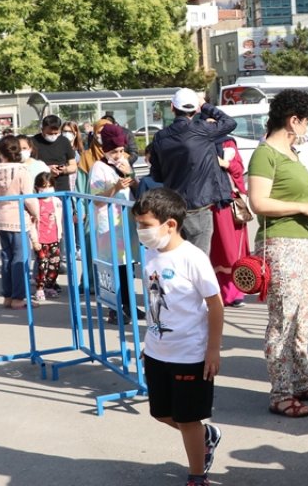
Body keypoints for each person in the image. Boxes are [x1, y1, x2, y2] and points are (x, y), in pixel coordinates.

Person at [249, 89, 308, 417]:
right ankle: (281, 391)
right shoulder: (266, 154)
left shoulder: (288, 152)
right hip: (281, 245)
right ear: (293, 120)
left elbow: (298, 193)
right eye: (306, 123)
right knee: (284, 319)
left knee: (302, 315)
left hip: (303, 245)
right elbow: (258, 202)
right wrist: (303, 206)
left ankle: (301, 380)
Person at [132, 187, 224, 486]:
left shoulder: (192, 258)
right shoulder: (149, 254)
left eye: (145, 225)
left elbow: (215, 304)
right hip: (158, 350)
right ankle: (205, 436)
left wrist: (212, 350)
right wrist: (149, 344)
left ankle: (197, 476)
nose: (141, 231)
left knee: (187, 419)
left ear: (170, 224)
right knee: (160, 413)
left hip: (190, 354)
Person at [150, 88, 237, 256]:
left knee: (176, 258)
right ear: (195, 109)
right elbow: (229, 122)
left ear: (172, 107)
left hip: (173, 208)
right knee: (198, 260)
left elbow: (157, 174)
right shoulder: (202, 129)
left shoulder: (160, 137)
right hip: (200, 206)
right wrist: (204, 105)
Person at [91, 123, 137, 324]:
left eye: (121, 150)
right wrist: (115, 187)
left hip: (125, 221)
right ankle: (115, 308)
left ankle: (130, 305)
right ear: (104, 150)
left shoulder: (124, 163)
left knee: (128, 265)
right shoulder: (98, 167)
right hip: (107, 224)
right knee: (113, 268)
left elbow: (135, 186)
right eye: (115, 151)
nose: (119, 155)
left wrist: (131, 177)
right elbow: (97, 198)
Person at [0, 135, 39, 309]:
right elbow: (29, 197)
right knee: (20, 259)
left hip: (2, 216)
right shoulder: (22, 170)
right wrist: (37, 214)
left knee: (7, 258)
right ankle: (19, 297)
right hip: (19, 218)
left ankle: (8, 296)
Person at [208, 134, 248, 308]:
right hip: (207, 202)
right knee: (214, 248)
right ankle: (214, 291)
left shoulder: (228, 142)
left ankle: (235, 290)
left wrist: (226, 164)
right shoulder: (197, 140)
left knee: (232, 249)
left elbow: (239, 168)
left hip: (229, 203)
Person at [31, 172, 65, 301]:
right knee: (42, 264)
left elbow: (59, 219)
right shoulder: (35, 202)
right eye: (44, 186)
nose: (47, 189)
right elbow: (32, 223)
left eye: (50, 186)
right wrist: (35, 240)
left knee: (54, 264)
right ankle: (39, 288)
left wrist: (59, 235)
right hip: (41, 240)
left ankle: (50, 285)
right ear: (37, 187)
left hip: (54, 238)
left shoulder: (56, 201)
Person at [31, 114, 78, 191]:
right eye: (49, 133)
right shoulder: (33, 142)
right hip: (41, 188)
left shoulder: (64, 141)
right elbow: (28, 166)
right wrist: (47, 169)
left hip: (62, 188)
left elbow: (73, 166)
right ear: (42, 129)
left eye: (56, 133)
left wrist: (64, 170)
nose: (53, 136)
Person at [61, 120, 87, 193]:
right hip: (64, 185)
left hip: (78, 187)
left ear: (75, 133)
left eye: (70, 131)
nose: (67, 134)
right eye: (65, 131)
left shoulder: (80, 152)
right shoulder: (58, 150)